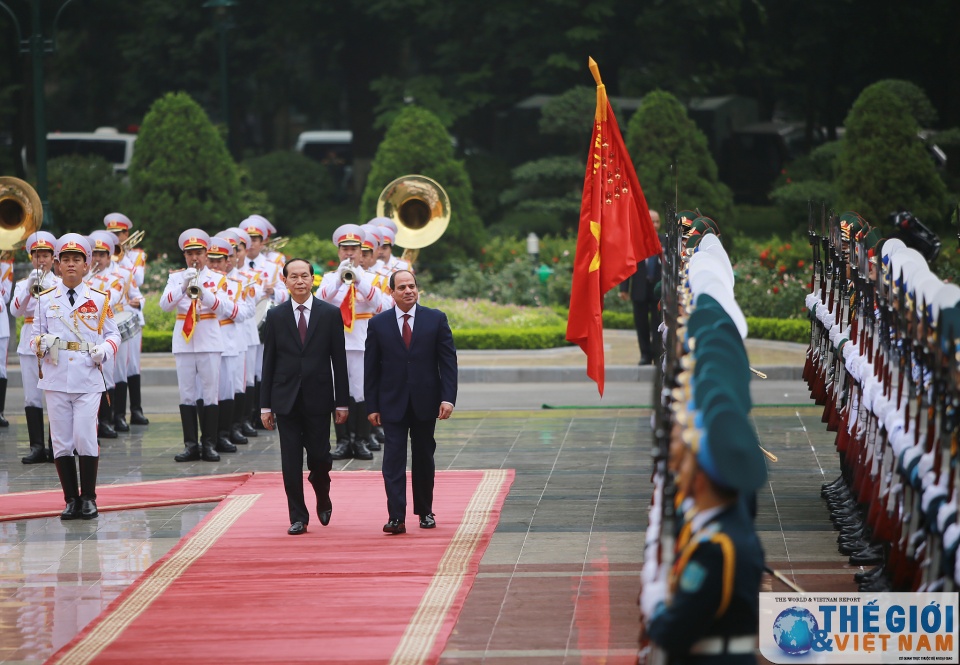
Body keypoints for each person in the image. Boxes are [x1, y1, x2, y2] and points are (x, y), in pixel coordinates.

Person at [32, 234, 120, 520]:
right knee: (61, 440)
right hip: (56, 378)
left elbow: (113, 334)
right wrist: (41, 344)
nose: (71, 265)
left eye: (77, 260)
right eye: (66, 260)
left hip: (87, 376)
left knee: (85, 436)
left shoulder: (99, 298)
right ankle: (70, 499)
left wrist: (104, 351)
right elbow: (34, 337)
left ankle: (89, 498)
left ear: (87, 265)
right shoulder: (45, 300)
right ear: (58, 266)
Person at [260, 258, 350, 535]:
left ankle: (322, 492)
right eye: (293, 277)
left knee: (320, 457)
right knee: (290, 461)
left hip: (319, 397)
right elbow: (269, 361)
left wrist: (342, 401)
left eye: (304, 276)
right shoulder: (275, 316)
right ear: (285, 282)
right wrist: (265, 406)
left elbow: (340, 360)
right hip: (285, 398)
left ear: (313, 280)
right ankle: (298, 516)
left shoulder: (329, 314)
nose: (299, 281)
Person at [365, 270, 458, 534]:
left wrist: (448, 398)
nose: (408, 291)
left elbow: (448, 362)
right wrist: (371, 405)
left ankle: (425, 511)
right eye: (402, 287)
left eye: (412, 286)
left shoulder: (435, 319)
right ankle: (396, 517)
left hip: (426, 402)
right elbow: (370, 368)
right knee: (393, 460)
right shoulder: (378, 324)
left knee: (423, 458)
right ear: (391, 292)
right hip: (391, 403)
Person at [160, 229, 238, 463]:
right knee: (187, 394)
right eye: (190, 253)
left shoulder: (217, 279)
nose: (194, 257)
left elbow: (225, 309)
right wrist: (183, 285)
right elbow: (164, 305)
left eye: (199, 253)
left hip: (209, 340)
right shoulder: (176, 278)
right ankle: (190, 445)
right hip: (184, 342)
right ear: (184, 255)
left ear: (206, 254)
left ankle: (209, 444)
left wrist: (204, 293)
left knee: (210, 393)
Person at [315, 224, 383, 461]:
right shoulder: (328, 278)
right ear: (338, 252)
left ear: (361, 250)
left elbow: (382, 305)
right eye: (345, 249)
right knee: (338, 393)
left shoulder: (372, 277)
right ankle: (343, 441)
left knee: (362, 393)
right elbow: (319, 301)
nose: (349, 254)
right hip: (337, 343)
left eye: (354, 249)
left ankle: (361, 440)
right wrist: (338, 280)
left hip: (364, 342)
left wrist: (359, 280)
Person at [12, 231, 60, 464]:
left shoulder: (59, 283)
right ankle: (37, 447)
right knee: (32, 397)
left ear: (53, 258)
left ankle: (55, 446)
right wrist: (30, 283)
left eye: (45, 256)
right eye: (37, 256)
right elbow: (16, 310)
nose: (41, 260)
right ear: (31, 258)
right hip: (28, 340)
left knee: (53, 394)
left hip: (51, 340)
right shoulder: (24, 284)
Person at [104, 212, 149, 427]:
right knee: (117, 367)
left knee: (132, 366)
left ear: (126, 234)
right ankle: (113, 414)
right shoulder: (101, 260)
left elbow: (138, 280)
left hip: (130, 316)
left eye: (119, 233)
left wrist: (126, 254)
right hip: (109, 317)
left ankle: (135, 409)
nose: (116, 237)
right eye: (111, 234)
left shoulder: (136, 255)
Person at [620, 209, 662, 365]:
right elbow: (627, 266)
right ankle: (645, 355)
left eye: (657, 221)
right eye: (652, 221)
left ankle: (658, 355)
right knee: (641, 324)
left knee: (658, 325)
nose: (655, 225)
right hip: (639, 289)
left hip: (659, 290)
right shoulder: (634, 242)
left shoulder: (664, 241)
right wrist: (624, 288)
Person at [0, 251, 13, 426]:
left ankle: (0, 412)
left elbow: (6, 296)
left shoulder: (6, 267)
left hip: (0, 326)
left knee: (0, 369)